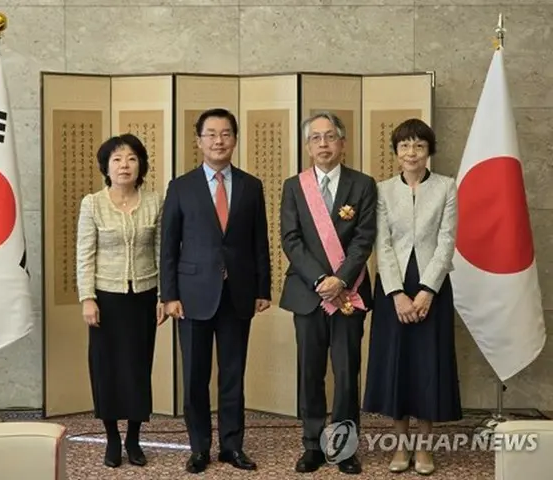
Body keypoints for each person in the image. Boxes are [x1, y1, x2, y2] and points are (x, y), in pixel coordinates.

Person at [160, 108, 272, 474]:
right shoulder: (181, 186)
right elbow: (168, 245)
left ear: (235, 140)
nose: (218, 141)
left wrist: (263, 288)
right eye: (211, 134)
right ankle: (199, 448)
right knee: (194, 376)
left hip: (238, 293)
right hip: (191, 296)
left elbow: (260, 243)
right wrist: (169, 295)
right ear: (199, 141)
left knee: (232, 374)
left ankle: (231, 446)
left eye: (225, 134)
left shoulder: (251, 186)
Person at [362, 118, 462, 475]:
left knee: (428, 366)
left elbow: (447, 241)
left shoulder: (447, 187)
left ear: (429, 151)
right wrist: (397, 294)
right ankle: (400, 446)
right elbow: (382, 244)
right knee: (397, 366)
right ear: (396, 151)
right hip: (393, 289)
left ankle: (425, 448)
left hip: (432, 288)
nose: (411, 152)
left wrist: (427, 290)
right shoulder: (382, 190)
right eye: (404, 145)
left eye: (419, 145)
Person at [279, 111, 377, 475]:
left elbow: (364, 238)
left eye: (330, 136)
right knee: (310, 372)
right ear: (307, 146)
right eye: (316, 138)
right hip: (308, 294)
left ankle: (345, 447)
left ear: (343, 143)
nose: (323, 143)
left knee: (347, 371)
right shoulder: (294, 185)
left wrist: (341, 279)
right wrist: (322, 279)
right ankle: (312, 445)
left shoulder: (363, 184)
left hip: (349, 296)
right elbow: (291, 239)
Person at [76, 133, 165, 469]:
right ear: (106, 167)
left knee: (138, 368)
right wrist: (88, 298)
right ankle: (112, 438)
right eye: (117, 159)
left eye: (130, 158)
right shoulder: (92, 203)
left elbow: (161, 251)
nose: (124, 165)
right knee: (107, 370)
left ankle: (134, 439)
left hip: (143, 297)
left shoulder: (155, 201)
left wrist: (163, 295)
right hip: (106, 301)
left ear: (140, 164)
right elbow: (85, 254)